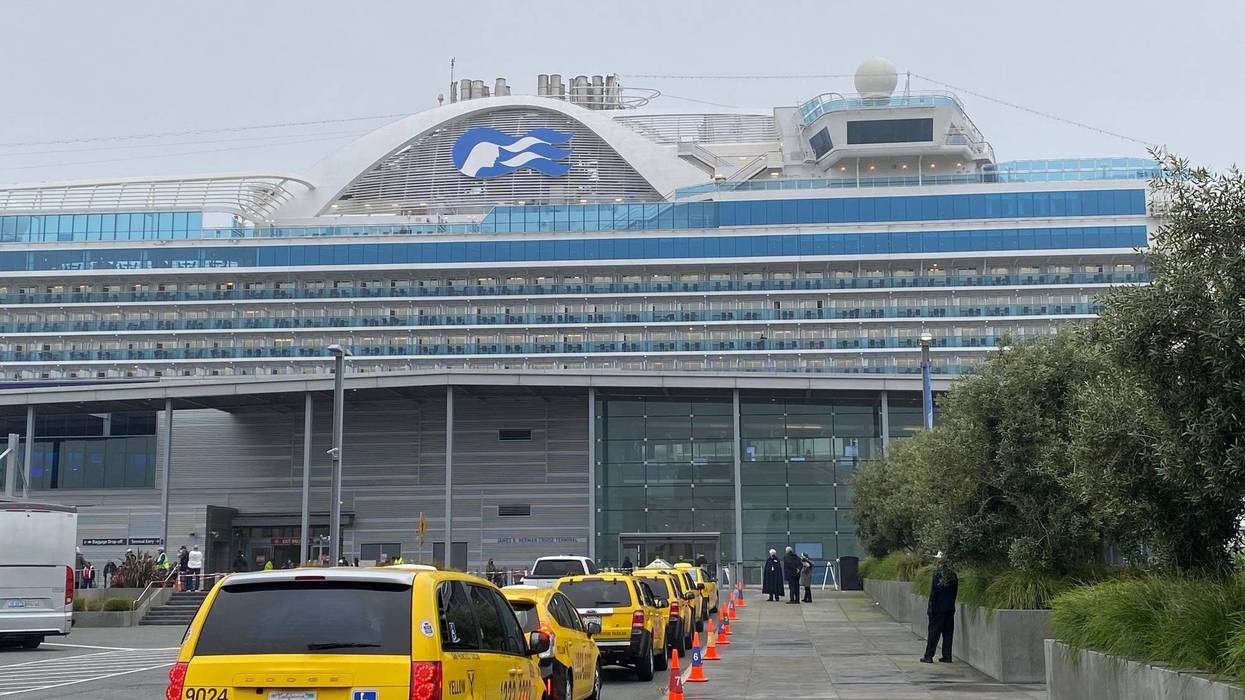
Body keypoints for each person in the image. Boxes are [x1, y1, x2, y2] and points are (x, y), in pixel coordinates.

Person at [921, 555, 959, 664]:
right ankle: (947, 656)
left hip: (938, 609)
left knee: (933, 633)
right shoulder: (953, 575)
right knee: (948, 633)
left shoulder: (937, 574)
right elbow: (955, 592)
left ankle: (928, 656)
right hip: (949, 609)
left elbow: (934, 592)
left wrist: (930, 606)